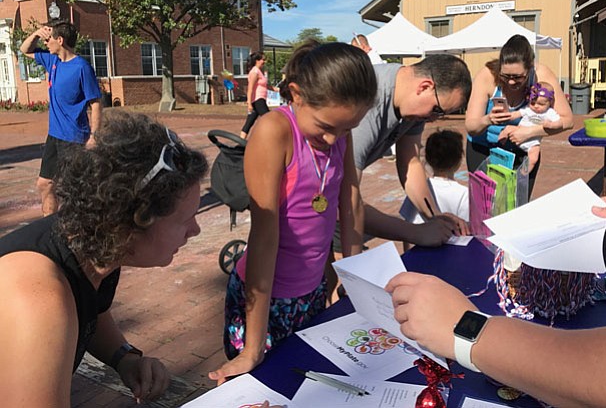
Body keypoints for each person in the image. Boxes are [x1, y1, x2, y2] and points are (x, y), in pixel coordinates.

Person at [386, 0, 606, 404]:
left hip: (520, 168)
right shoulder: (486, 78)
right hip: (488, 166)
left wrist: (466, 330)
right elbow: (471, 126)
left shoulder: (546, 77)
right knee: (492, 240)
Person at [0, 110, 208, 406]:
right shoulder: (40, 301)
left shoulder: (93, 243)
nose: (195, 230)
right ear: (130, 224)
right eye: (185, 219)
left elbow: (90, 306)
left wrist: (124, 357)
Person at [208, 41, 378, 384]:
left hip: (311, 292)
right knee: (265, 386)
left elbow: (349, 204)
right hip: (265, 301)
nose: (335, 139)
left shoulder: (338, 134)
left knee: (310, 385)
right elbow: (264, 237)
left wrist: (351, 279)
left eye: (347, 129)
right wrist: (253, 346)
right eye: (326, 126)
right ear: (297, 95)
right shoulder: (274, 131)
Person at [351, 55, 472, 246]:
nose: (433, 119)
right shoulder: (369, 100)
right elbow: (345, 199)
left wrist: (434, 217)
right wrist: (413, 232)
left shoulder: (411, 104)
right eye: (437, 110)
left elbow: (410, 161)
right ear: (425, 87)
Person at [464, 34, 573, 195]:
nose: (511, 82)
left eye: (518, 77)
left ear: (530, 68)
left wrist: (528, 132)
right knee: (487, 207)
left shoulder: (542, 76)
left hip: (523, 150)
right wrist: (488, 120)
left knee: (517, 206)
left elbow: (568, 120)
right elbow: (471, 126)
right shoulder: (487, 76)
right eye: (505, 76)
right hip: (483, 150)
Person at [19, 21, 102, 216]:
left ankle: (83, 228)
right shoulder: (51, 60)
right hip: (54, 136)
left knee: (75, 190)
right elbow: (24, 49)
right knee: (45, 184)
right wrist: (37, 34)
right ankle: (51, 225)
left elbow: (96, 103)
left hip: (73, 138)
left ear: (60, 40)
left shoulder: (82, 68)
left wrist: (94, 136)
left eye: (49, 39)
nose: (46, 43)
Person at [399, 129, 469, 223]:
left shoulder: (417, 189)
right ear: (459, 161)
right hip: (446, 237)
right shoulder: (464, 194)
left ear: (427, 158)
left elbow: (406, 218)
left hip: (416, 236)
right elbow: (465, 226)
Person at [507, 81, 562, 173]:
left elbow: (560, 123)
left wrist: (551, 125)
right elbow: (516, 114)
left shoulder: (549, 113)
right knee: (508, 128)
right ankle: (501, 141)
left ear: (550, 102)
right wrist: (508, 115)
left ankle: (523, 173)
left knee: (533, 158)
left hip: (533, 142)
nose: (536, 106)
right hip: (519, 131)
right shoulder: (528, 109)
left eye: (541, 104)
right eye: (533, 103)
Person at [239, 51, 279, 140]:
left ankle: (240, 143)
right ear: (257, 60)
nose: (264, 61)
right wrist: (249, 103)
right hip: (258, 100)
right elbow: (250, 88)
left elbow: (266, 86)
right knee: (269, 119)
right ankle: (272, 139)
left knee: (249, 122)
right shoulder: (254, 72)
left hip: (259, 100)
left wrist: (279, 90)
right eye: (263, 60)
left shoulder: (259, 71)